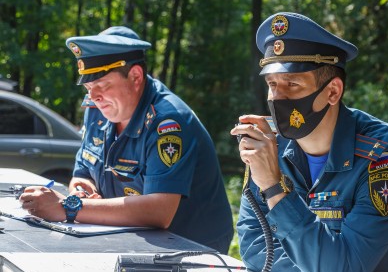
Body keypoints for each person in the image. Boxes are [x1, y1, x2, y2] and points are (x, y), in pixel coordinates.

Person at [231, 12, 388, 272]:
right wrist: (330, 270)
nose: (277, 97)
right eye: (272, 84)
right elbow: (254, 248)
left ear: (333, 91)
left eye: (292, 84)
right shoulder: (270, 144)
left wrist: (275, 188)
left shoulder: (383, 156)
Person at [19, 26, 234, 254]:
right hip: (130, 240)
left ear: (135, 77)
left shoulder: (168, 121)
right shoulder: (97, 107)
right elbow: (82, 172)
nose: (94, 97)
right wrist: (82, 191)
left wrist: (68, 207)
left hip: (190, 251)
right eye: (89, 87)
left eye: (102, 85)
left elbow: (159, 211)